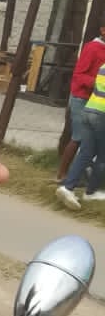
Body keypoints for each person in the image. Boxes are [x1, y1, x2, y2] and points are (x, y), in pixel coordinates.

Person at [56, 32, 105, 210]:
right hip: (85, 100)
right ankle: (70, 179)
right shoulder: (92, 48)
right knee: (82, 141)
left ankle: (69, 186)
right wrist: (96, 83)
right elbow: (79, 75)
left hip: (92, 103)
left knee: (87, 148)